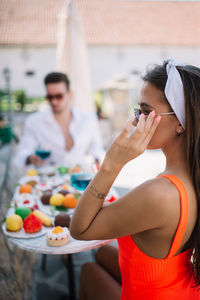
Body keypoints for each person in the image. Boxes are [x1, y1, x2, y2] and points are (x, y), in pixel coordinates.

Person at [70, 59, 200, 300]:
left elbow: (80, 229)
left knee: (88, 271)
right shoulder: (191, 175)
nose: (139, 119)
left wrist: (111, 164)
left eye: (146, 112)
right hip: (181, 288)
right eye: (137, 111)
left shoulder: (160, 194)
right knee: (99, 255)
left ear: (181, 123)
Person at [13, 72, 105, 168]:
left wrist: (98, 165)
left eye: (59, 96)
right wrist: (31, 158)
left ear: (70, 95)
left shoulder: (88, 119)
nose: (54, 101)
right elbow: (22, 153)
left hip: (78, 178)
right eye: (50, 97)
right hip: (47, 179)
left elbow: (97, 151)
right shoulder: (34, 122)